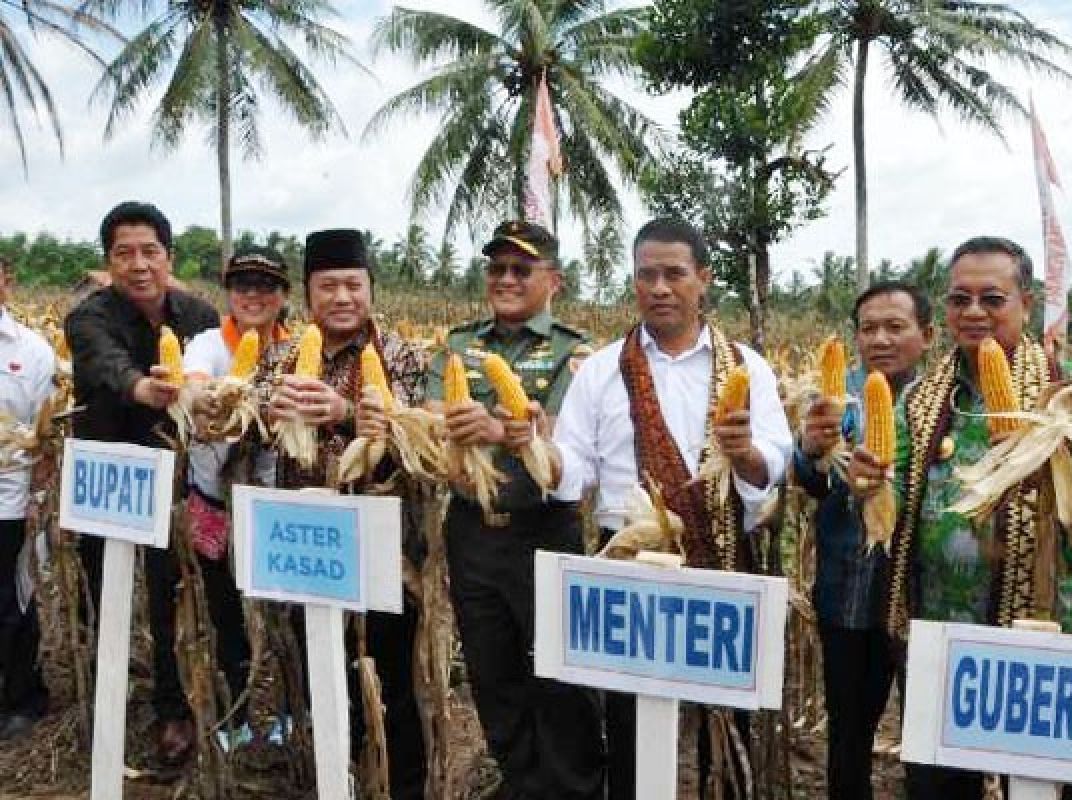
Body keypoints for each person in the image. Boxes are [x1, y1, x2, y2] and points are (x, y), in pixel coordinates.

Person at [847, 236, 1072, 797]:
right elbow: (888, 479)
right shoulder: (920, 400)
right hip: (942, 640)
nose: (975, 313)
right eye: (960, 300)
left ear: (1027, 305)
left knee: (1044, 785)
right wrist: (865, 479)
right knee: (939, 786)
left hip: (1042, 640)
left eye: (993, 298)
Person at [549, 218, 793, 799]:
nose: (659, 287)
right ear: (634, 282)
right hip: (629, 565)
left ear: (702, 279)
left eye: (674, 274)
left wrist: (746, 455)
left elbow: (775, 463)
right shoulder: (601, 370)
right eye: (646, 275)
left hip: (724, 557)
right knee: (633, 720)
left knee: (725, 722)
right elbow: (573, 465)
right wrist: (534, 453)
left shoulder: (747, 368)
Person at [425, 220, 604, 800]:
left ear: (554, 279)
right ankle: (520, 779)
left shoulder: (574, 353)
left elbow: (558, 438)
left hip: (542, 530)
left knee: (556, 672)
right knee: (490, 670)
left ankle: (572, 785)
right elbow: (431, 423)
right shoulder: (457, 345)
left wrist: (497, 428)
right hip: (471, 530)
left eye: (521, 269)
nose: (505, 278)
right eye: (497, 267)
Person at [258, 228, 426, 799]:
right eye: (327, 286)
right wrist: (266, 407)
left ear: (371, 290)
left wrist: (346, 411)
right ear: (308, 296)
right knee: (320, 677)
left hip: (382, 548)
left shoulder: (401, 354)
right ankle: (335, 779)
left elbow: (417, 438)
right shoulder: (280, 356)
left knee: (391, 682)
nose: (342, 297)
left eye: (353, 285)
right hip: (308, 550)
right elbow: (243, 415)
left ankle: (399, 786)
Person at [64, 201, 220, 764]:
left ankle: (173, 709)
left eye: (149, 251)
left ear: (168, 257)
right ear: (108, 261)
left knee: (171, 595)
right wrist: (142, 388)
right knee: (104, 592)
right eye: (124, 253)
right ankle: (103, 699)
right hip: (109, 481)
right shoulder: (89, 316)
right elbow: (104, 363)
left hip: (176, 480)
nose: (138, 264)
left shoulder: (198, 315)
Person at [794, 281, 932, 800]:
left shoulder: (943, 404)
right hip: (848, 595)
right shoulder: (837, 400)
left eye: (895, 327)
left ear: (927, 334)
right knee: (848, 735)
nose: (879, 339)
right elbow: (806, 479)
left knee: (925, 740)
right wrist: (810, 451)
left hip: (922, 602)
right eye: (868, 328)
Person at [183, 247, 292, 738]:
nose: (253, 295)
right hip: (213, 500)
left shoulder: (296, 350)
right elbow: (196, 384)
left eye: (266, 286)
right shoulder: (208, 344)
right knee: (224, 610)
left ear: (284, 296)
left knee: (282, 612)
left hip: (274, 505)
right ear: (228, 293)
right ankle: (236, 716)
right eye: (243, 285)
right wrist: (210, 397)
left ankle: (290, 713)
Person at [0, 256, 56, 741]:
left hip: (9, 499)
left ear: (6, 279)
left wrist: (39, 497)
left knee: (13, 601)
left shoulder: (32, 351)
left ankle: (22, 699)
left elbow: (47, 431)